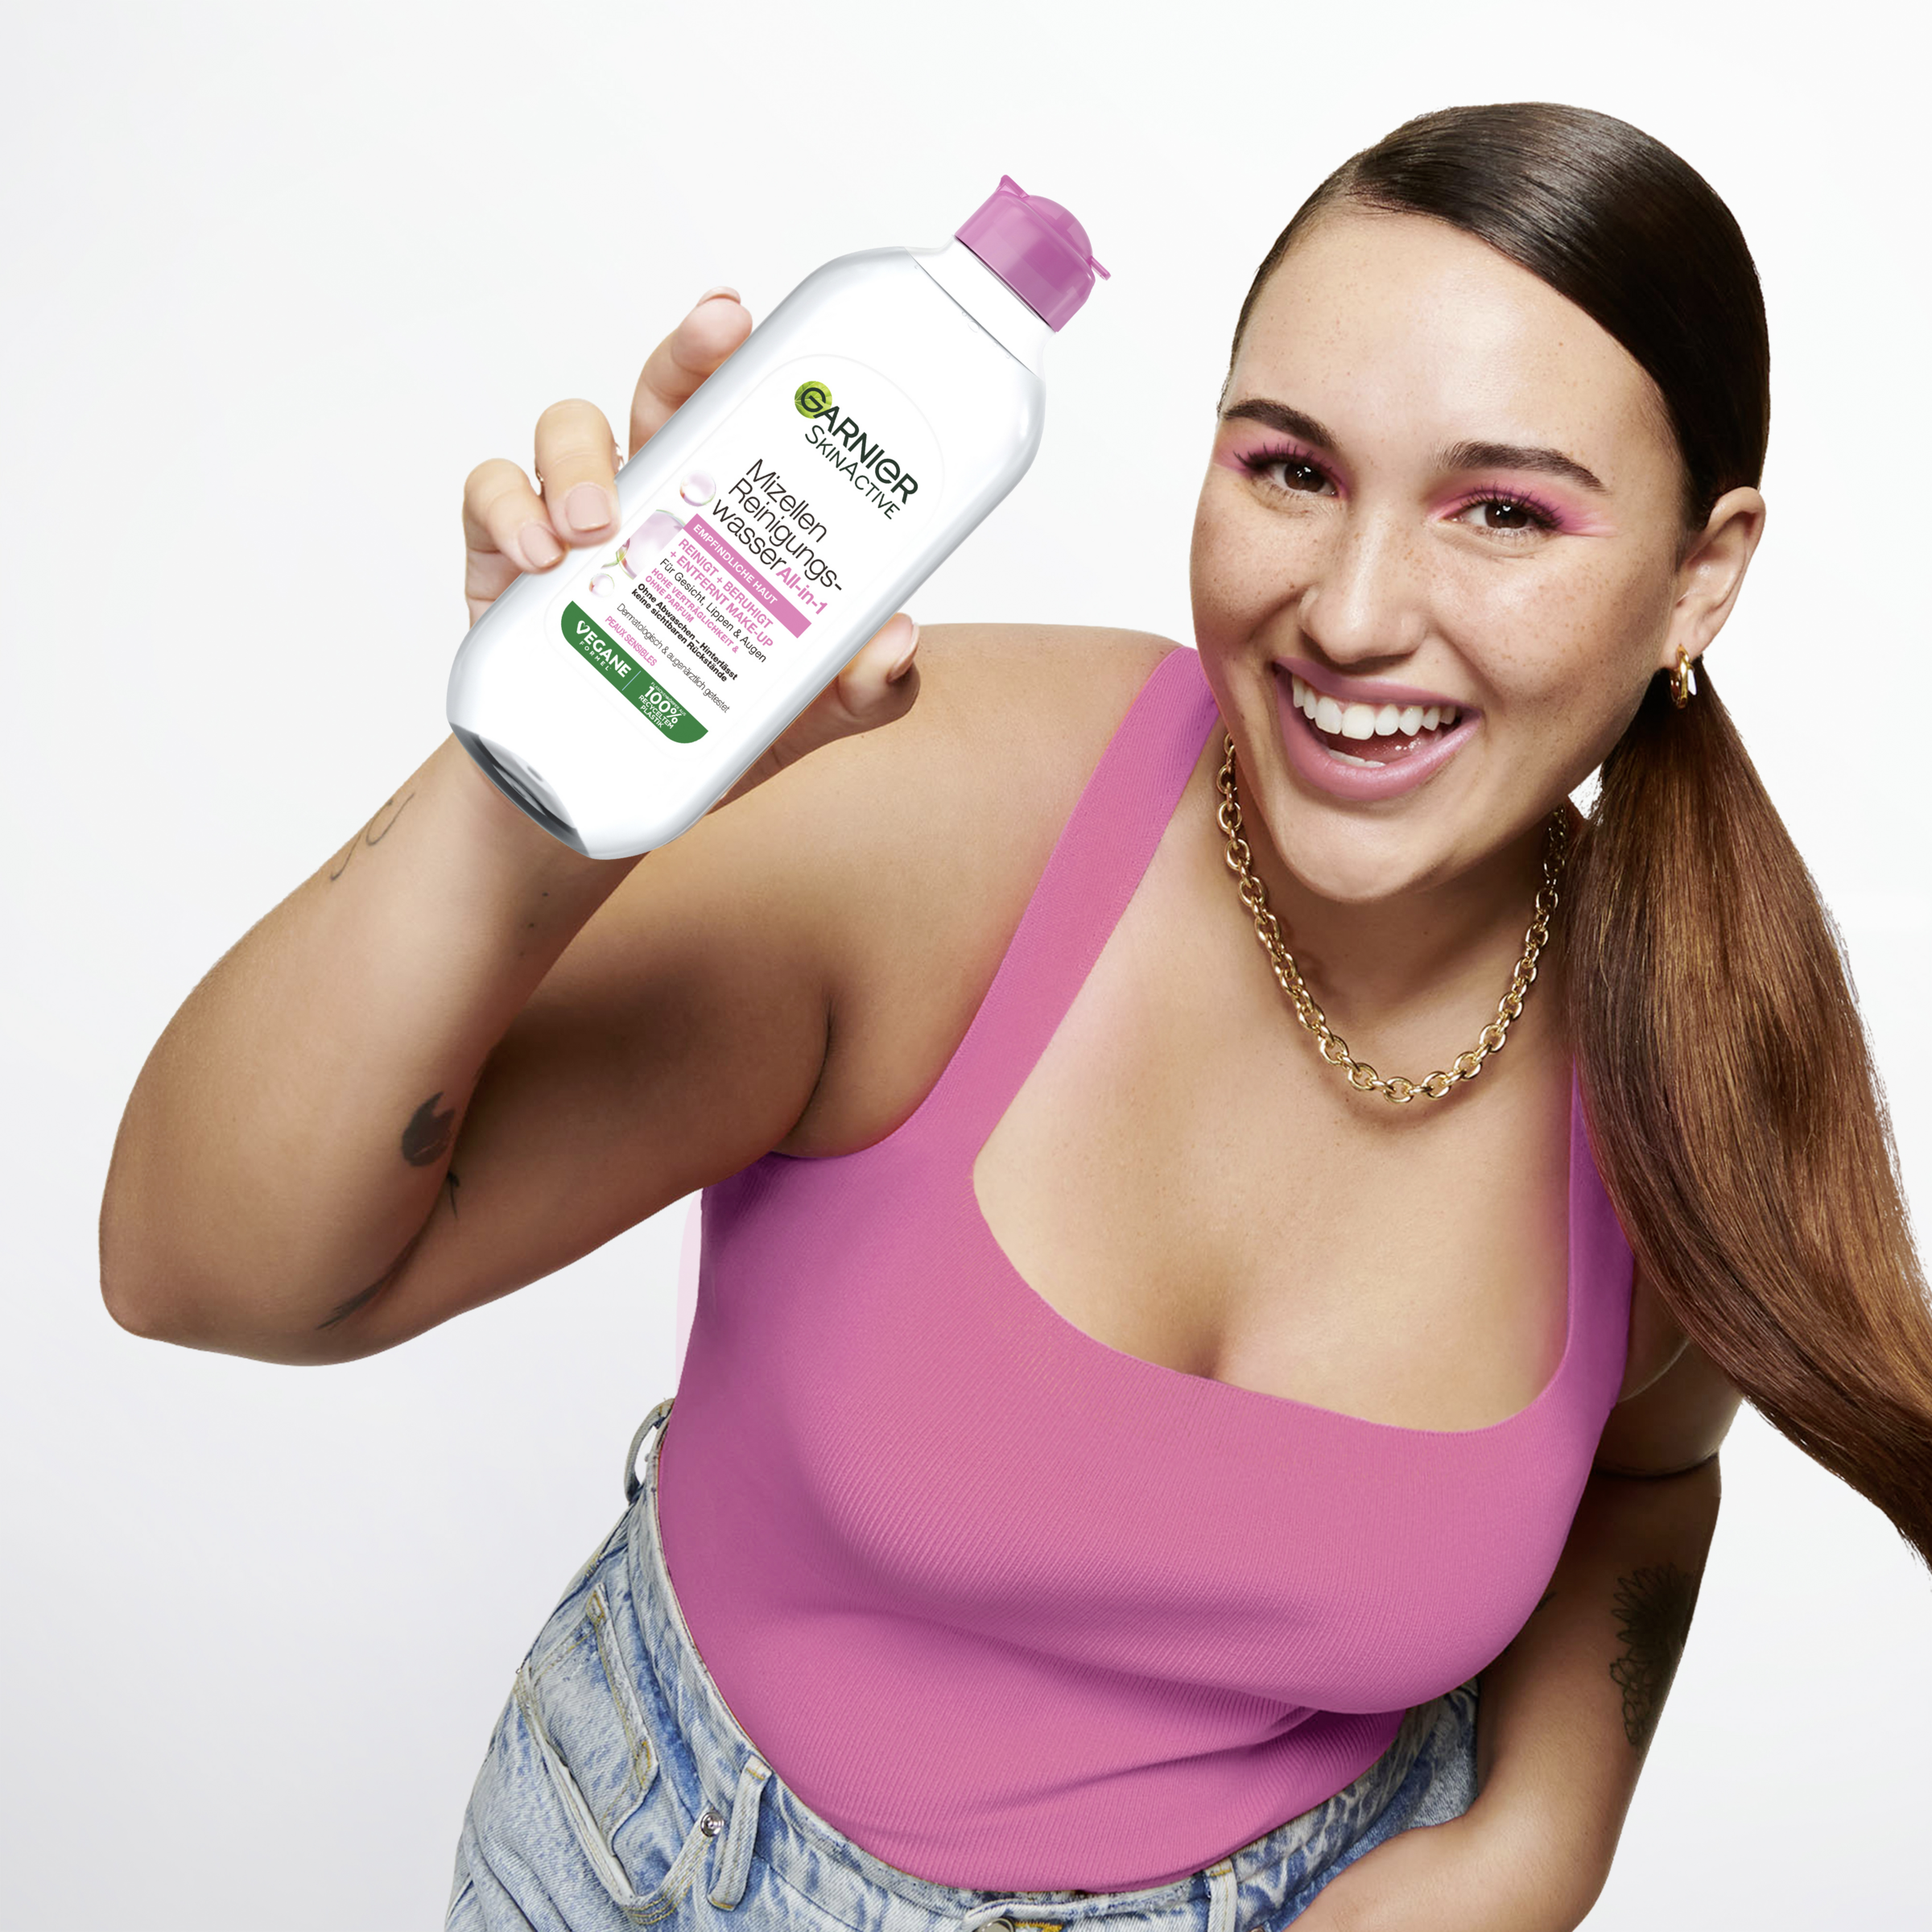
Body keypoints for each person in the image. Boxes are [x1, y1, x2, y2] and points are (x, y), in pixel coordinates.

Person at [98, 101, 1932, 1932]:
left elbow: (1648, 1477)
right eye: (1290, 469)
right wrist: (536, 774)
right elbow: (208, 1275)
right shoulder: (949, 811)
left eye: (1504, 511)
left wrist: (1535, 1842)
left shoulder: (1695, 1055)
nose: (1355, 612)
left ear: (1701, 573)